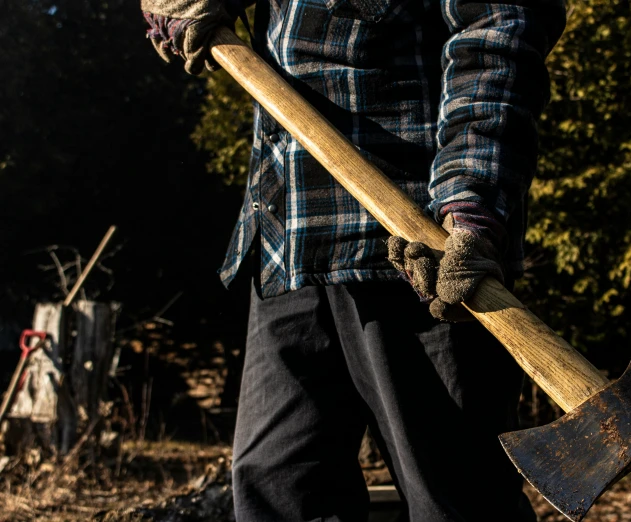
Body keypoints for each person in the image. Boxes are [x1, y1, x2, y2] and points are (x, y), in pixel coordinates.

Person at [141, 0, 566, 520]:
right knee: (279, 491)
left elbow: (500, 32)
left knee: (453, 499)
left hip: (416, 253)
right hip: (285, 237)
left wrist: (470, 198)